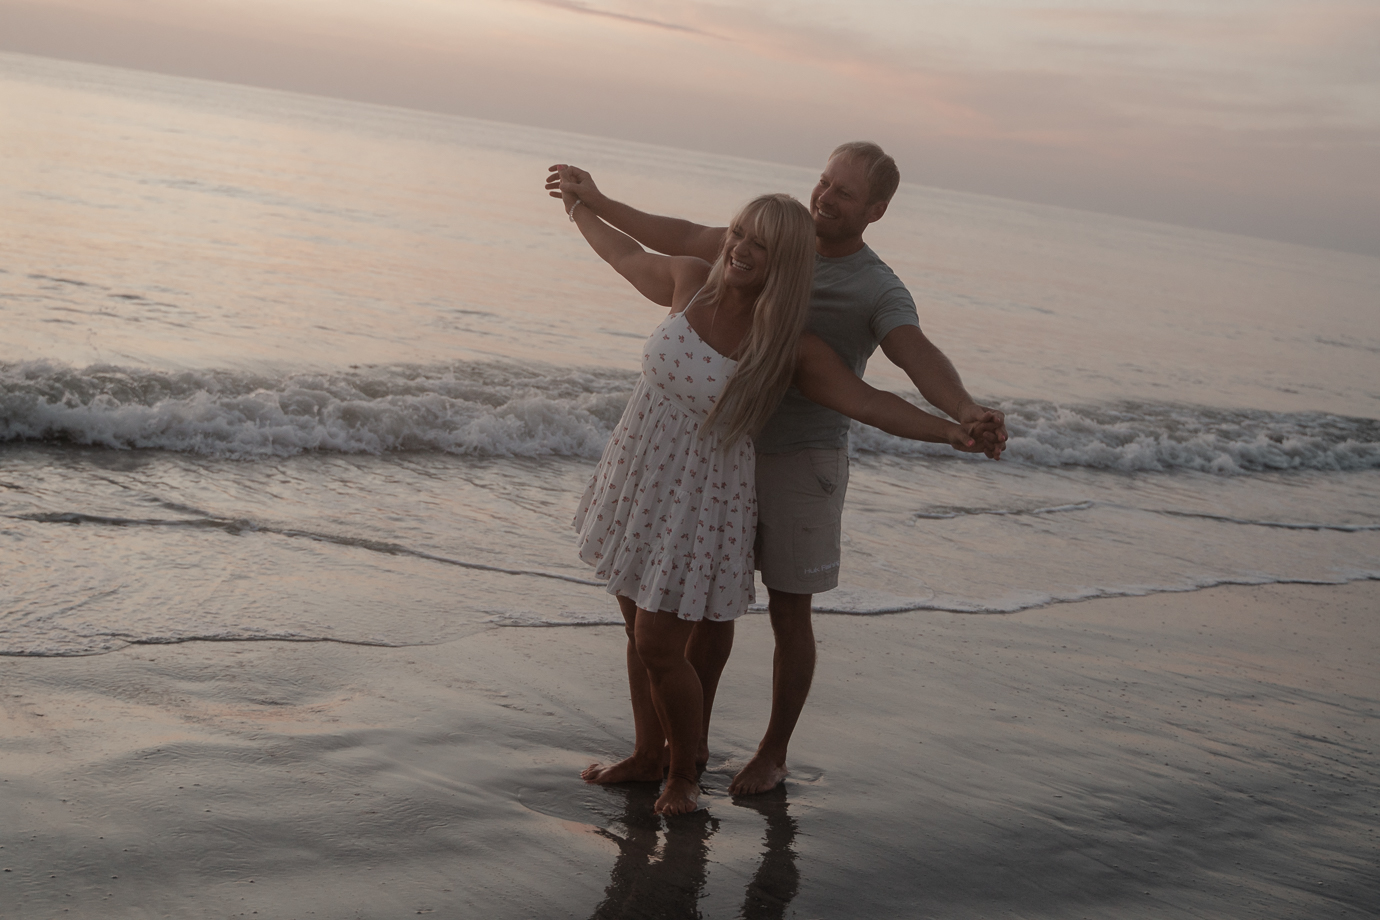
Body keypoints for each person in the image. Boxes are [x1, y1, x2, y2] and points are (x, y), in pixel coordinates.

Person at [548, 143, 1008, 797]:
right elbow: (660, 242)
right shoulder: (733, 253)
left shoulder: (866, 292)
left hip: (791, 459)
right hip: (677, 463)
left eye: (844, 192)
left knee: (781, 616)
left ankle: (761, 754)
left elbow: (893, 373)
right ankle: (674, 748)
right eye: (824, 182)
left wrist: (958, 418)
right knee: (685, 621)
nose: (826, 197)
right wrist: (588, 202)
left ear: (875, 210)